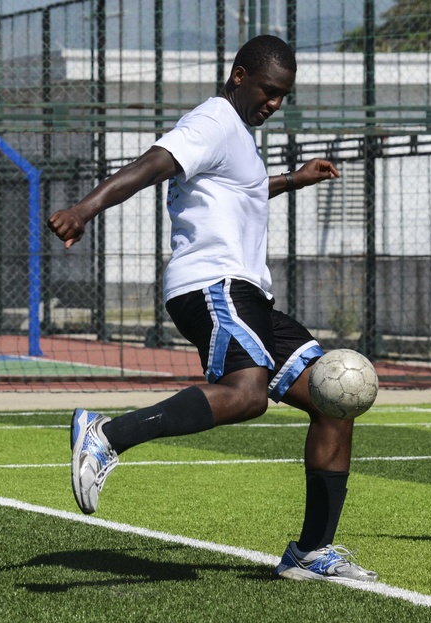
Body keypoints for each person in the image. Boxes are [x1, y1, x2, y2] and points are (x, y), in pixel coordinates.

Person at [47, 35, 378, 583]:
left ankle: (312, 552)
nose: (275, 102)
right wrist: (86, 209)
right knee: (248, 395)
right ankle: (107, 436)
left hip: (250, 293)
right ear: (239, 75)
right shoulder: (217, 118)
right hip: (213, 284)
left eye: (284, 96)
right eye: (269, 90)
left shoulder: (241, 136)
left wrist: (294, 179)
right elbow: (156, 162)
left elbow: (237, 193)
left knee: (333, 403)